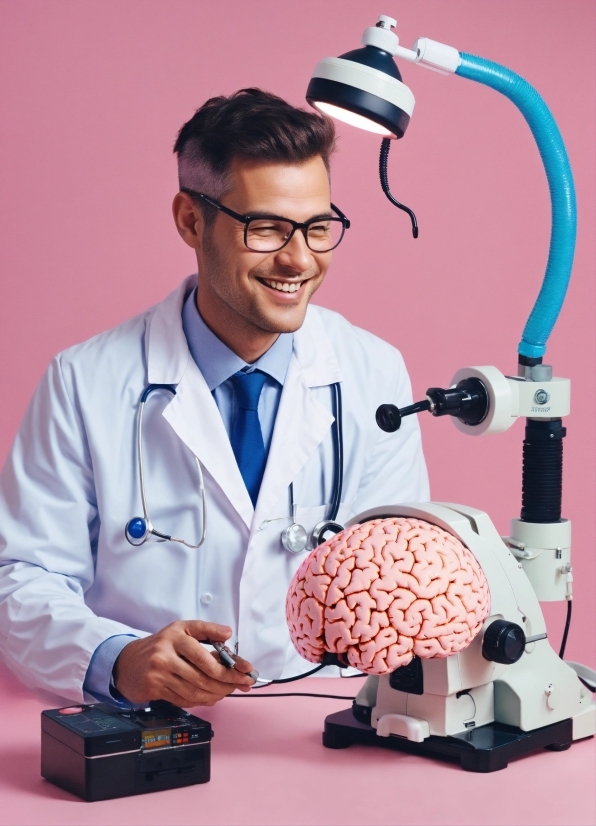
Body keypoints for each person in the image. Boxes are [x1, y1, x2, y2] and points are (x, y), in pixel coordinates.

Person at [0, 89, 429, 708]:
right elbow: (21, 581)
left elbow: (398, 568)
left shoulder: (373, 373)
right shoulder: (84, 381)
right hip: (146, 734)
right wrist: (119, 657)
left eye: (317, 227)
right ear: (190, 221)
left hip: (319, 730)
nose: (299, 259)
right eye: (267, 228)